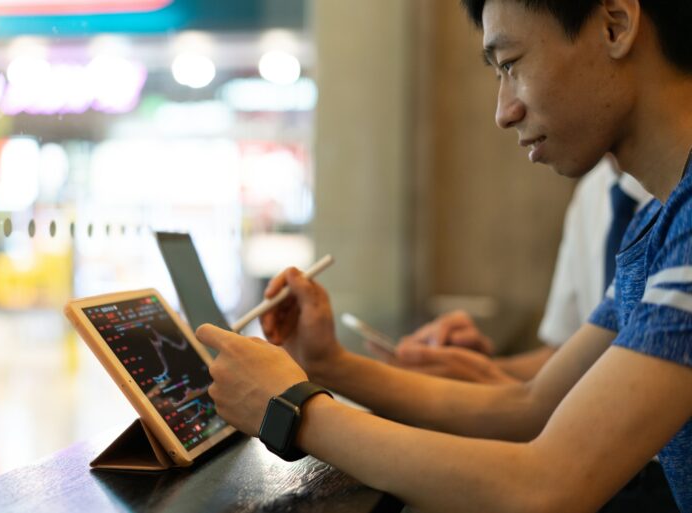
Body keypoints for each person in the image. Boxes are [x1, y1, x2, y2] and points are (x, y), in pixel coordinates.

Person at [196, 1, 692, 511]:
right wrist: (329, 365)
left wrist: (290, 410)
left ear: (616, 25)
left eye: (512, 64)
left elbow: (547, 484)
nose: (504, 111)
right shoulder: (658, 222)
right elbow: (532, 405)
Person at [372, 157, 653, 385]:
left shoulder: (678, 213)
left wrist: (338, 368)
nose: (505, 113)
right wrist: (472, 368)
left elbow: (536, 408)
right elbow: (569, 361)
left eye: (520, 82)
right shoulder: (593, 190)